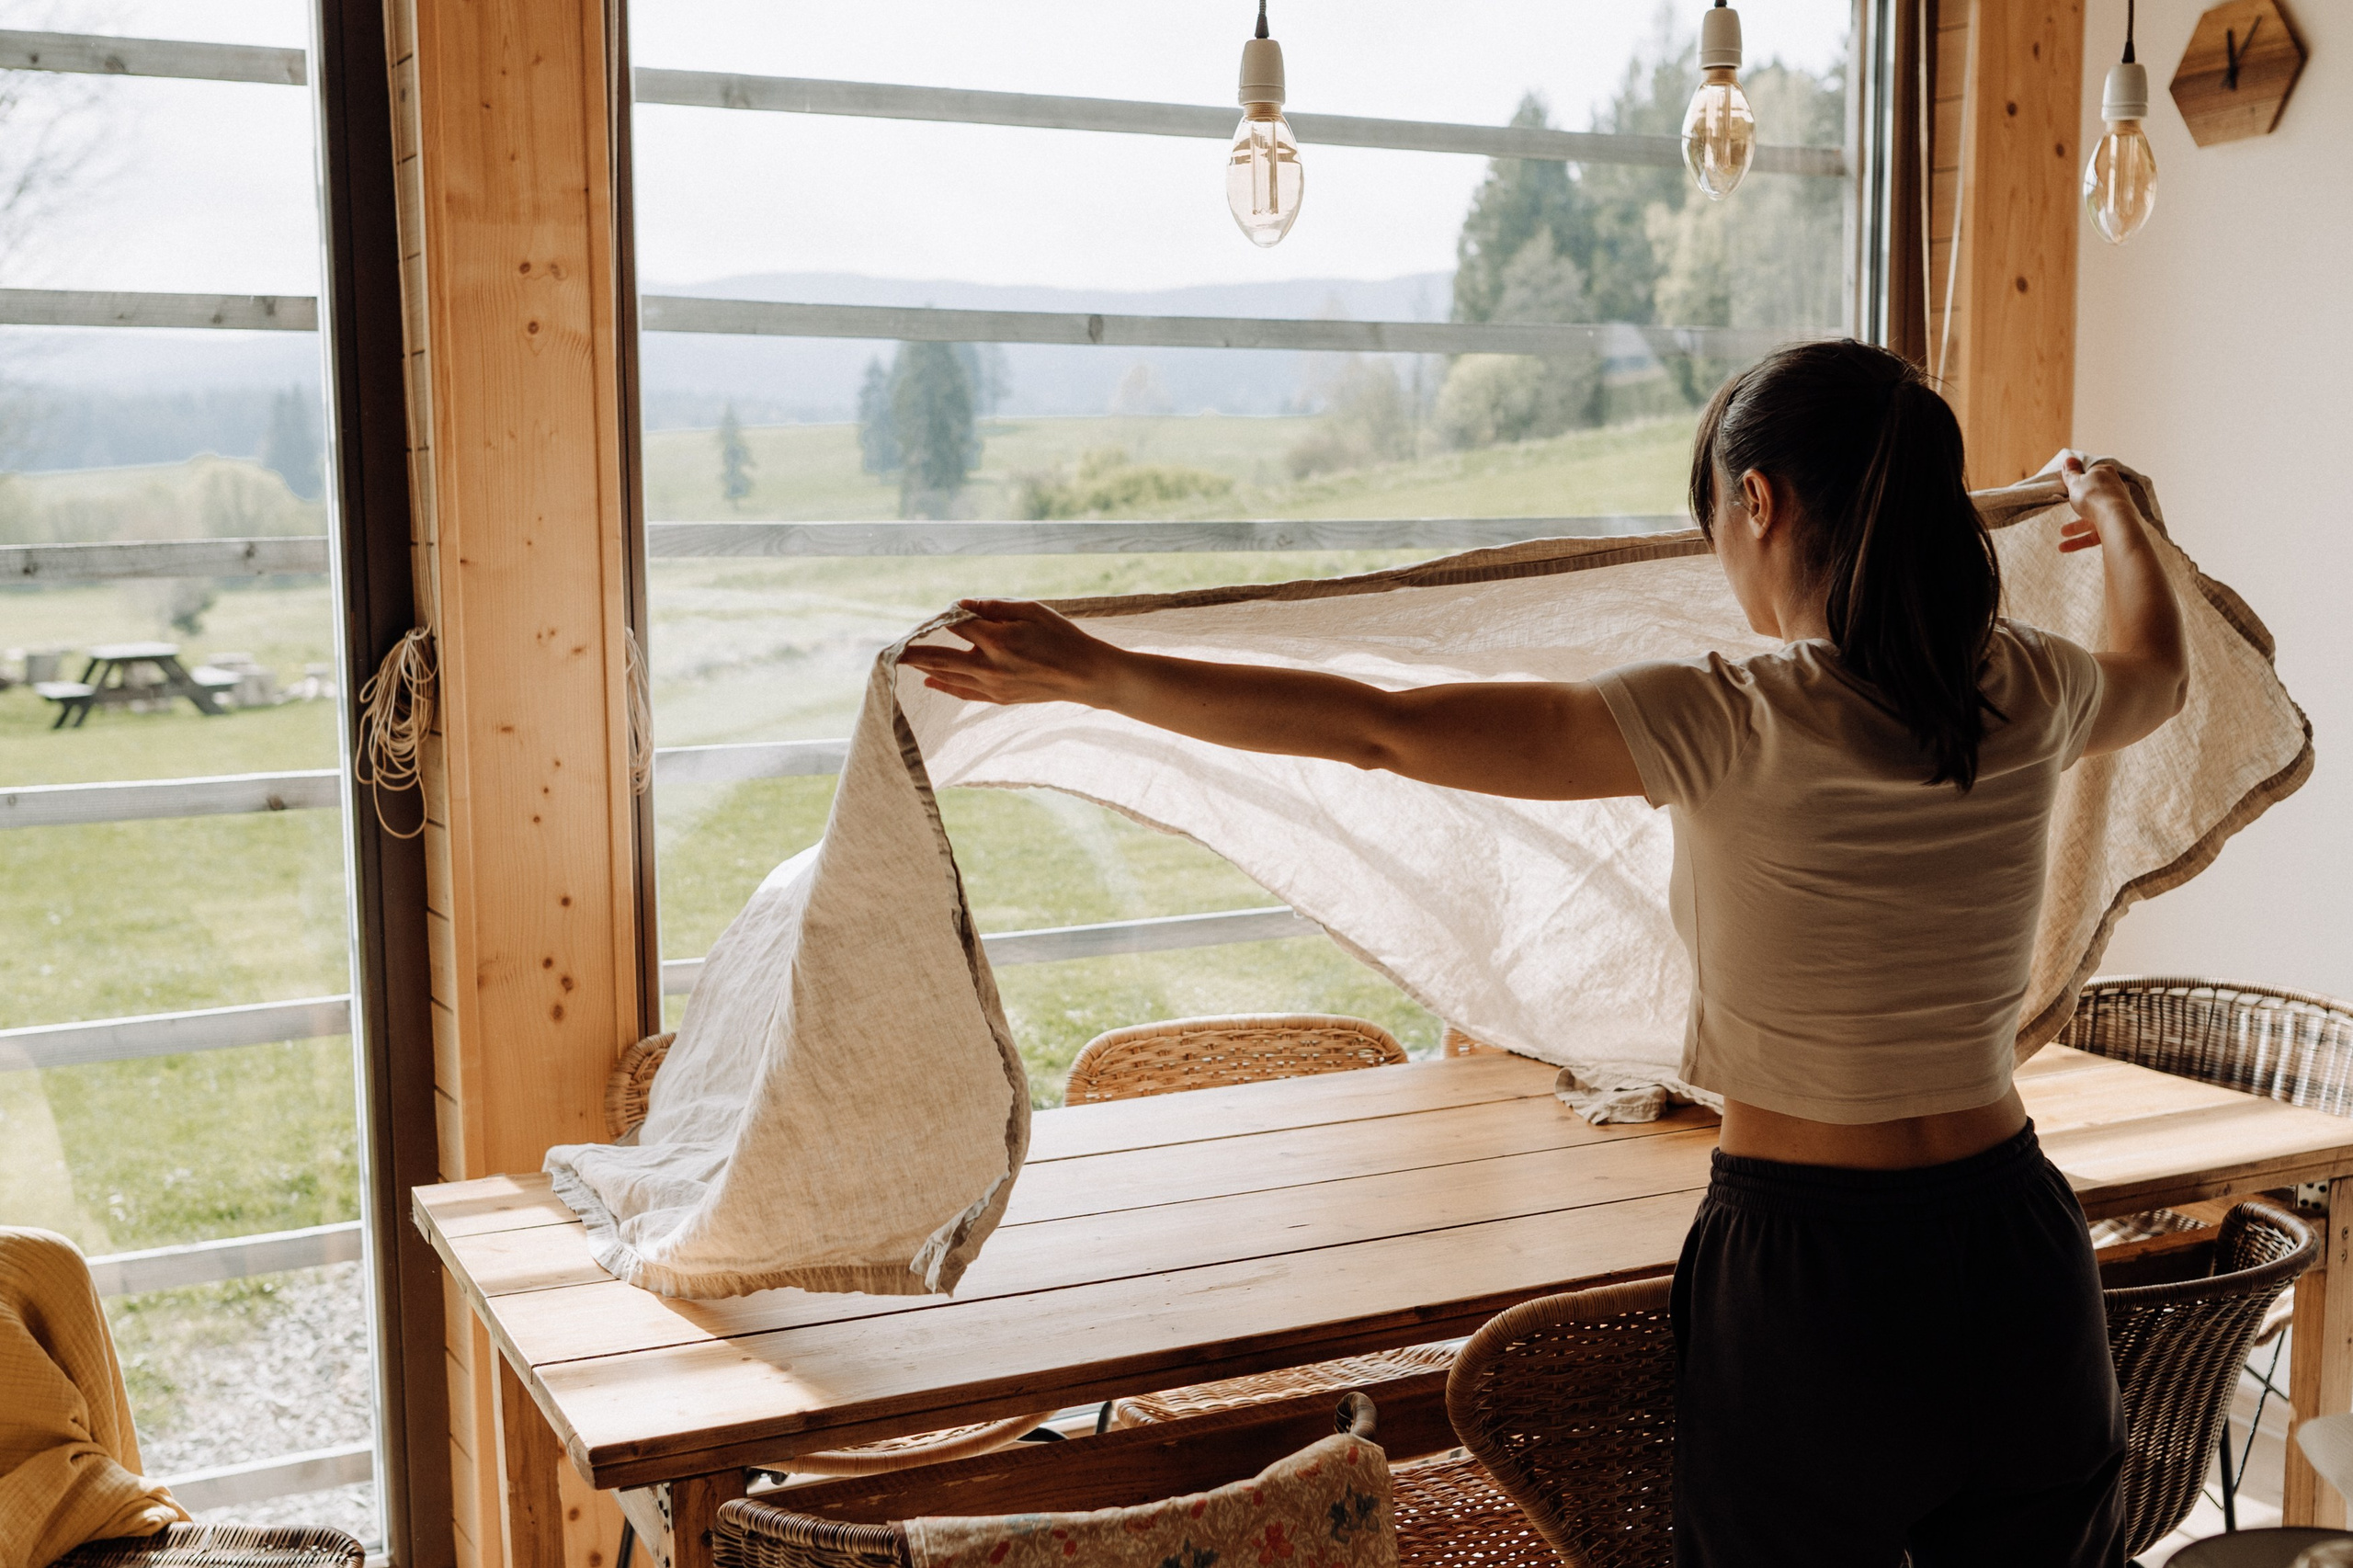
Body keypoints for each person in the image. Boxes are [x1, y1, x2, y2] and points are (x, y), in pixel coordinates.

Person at [898, 339, 2186, 1567]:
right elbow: (2160, 671)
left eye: (1716, 529)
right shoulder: (2030, 690)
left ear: (1760, 499)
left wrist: (1101, 673)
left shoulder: (1730, 719)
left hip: (1814, 1278)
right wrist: (2120, 515)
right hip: (2017, 1249)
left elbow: (1378, 730)